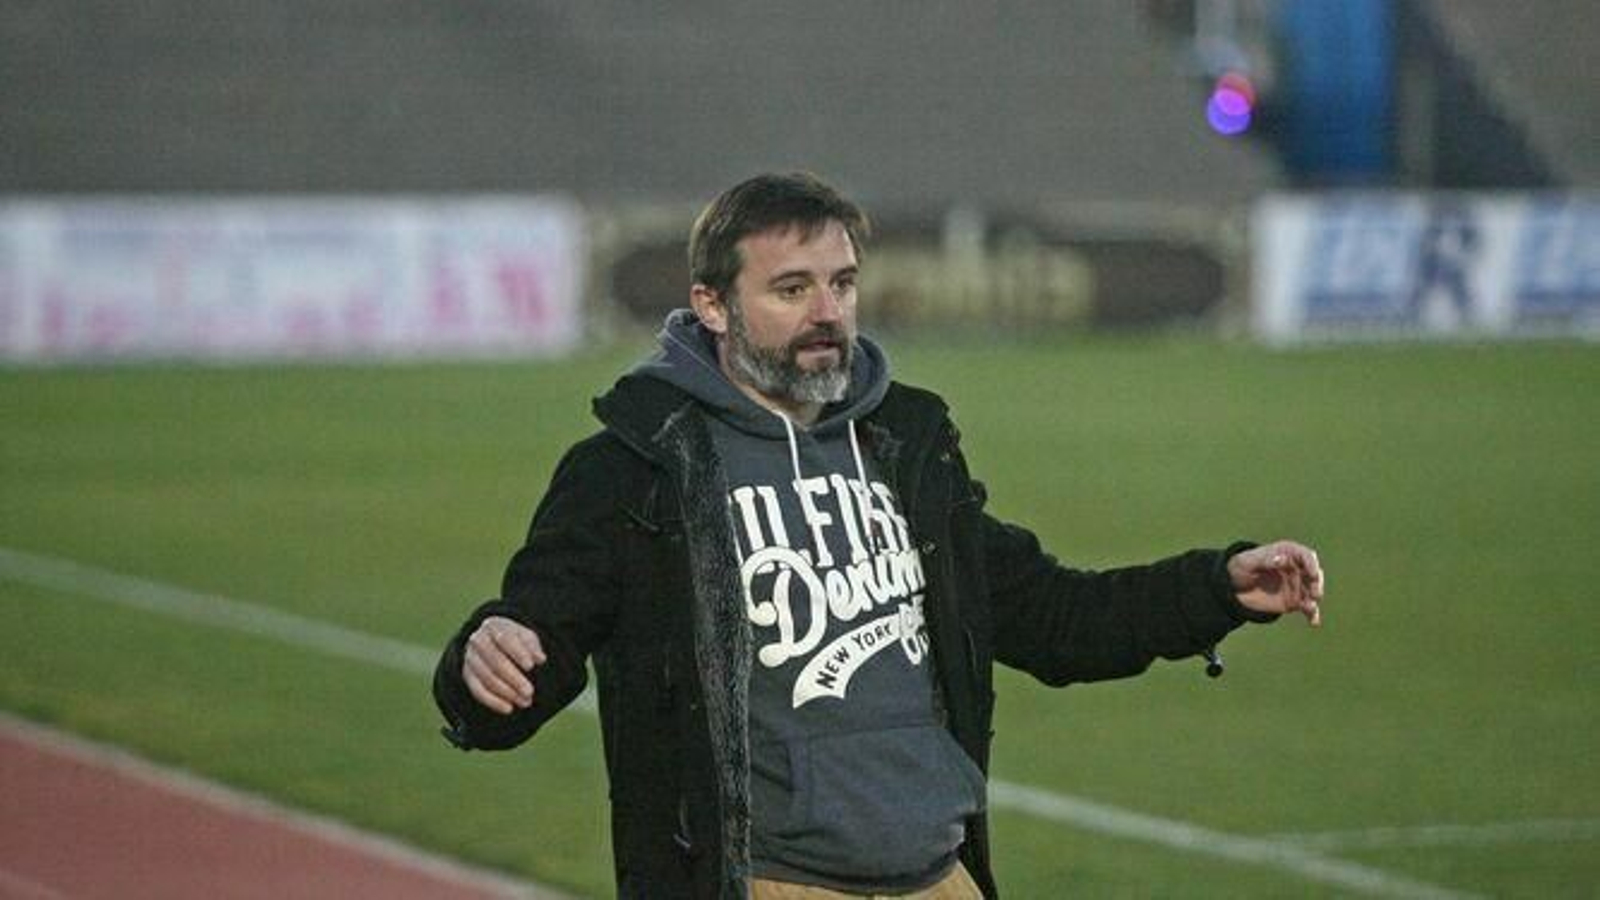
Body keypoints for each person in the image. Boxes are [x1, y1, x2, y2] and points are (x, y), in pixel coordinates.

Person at [433, 172, 1325, 899]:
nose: (828, 312)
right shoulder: (636, 466)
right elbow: (530, 645)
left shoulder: (905, 448)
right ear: (711, 304)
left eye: (842, 283)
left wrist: (1218, 587)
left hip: (938, 880)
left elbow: (1049, 615)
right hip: (764, 885)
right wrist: (491, 660)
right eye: (791, 289)